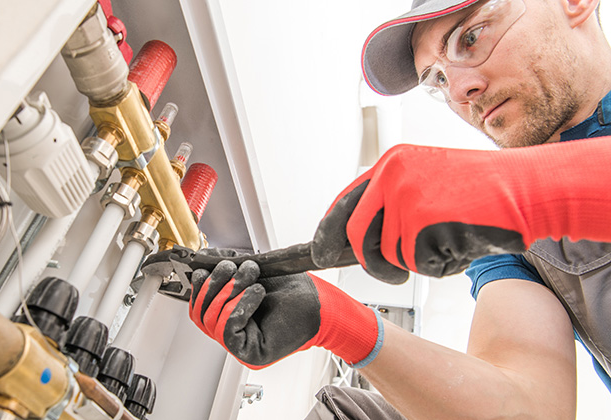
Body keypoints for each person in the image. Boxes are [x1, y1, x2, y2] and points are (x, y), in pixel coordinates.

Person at [188, 0, 611, 418]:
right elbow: (530, 411)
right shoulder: (507, 245)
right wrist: (339, 322)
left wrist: (517, 192)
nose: (461, 91)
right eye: (438, 79)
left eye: (472, 36)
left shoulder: (503, 206)